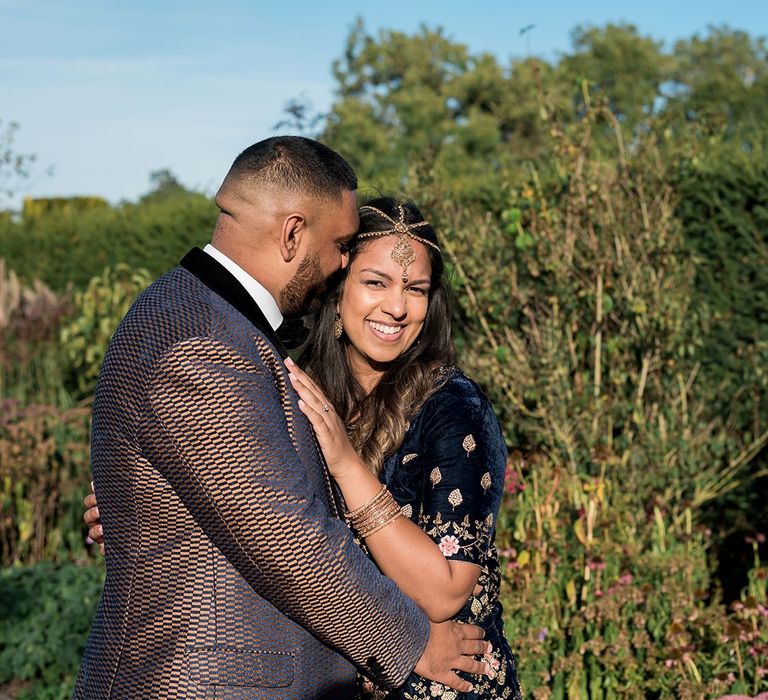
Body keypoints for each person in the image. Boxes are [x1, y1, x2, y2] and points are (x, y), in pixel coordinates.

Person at [74, 137, 491, 699]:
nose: (342, 263)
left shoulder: (207, 318)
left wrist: (150, 509)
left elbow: (246, 495)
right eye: (342, 246)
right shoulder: (204, 343)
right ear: (293, 233)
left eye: (413, 288)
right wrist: (412, 639)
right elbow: (283, 533)